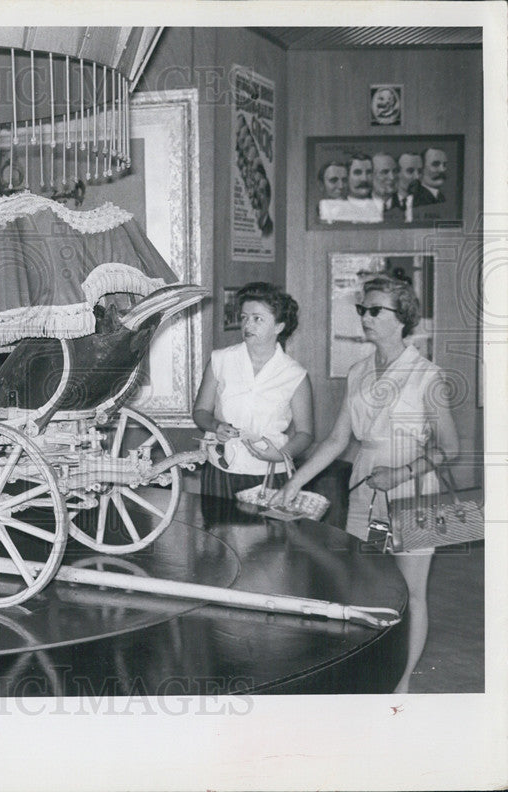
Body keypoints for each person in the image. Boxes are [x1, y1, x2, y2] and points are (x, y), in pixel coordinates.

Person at [273, 275, 459, 694]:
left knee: (411, 591)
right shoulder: (358, 372)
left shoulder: (428, 374)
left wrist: (400, 474)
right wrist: (294, 482)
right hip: (365, 488)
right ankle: (374, 676)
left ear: (402, 318)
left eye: (376, 310)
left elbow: (449, 448)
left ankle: (402, 685)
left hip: (416, 490)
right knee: (367, 584)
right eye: (363, 310)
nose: (366, 317)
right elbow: (338, 440)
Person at [193, 282, 313, 500]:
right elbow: (200, 411)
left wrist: (281, 454)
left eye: (258, 319)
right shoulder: (220, 360)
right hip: (221, 471)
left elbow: (305, 433)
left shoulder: (295, 375)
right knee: (215, 532)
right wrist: (216, 426)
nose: (248, 324)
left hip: (269, 473)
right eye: (244, 317)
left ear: (279, 327)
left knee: (267, 534)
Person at [319, 154, 382, 224]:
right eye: (357, 173)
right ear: (348, 176)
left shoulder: (382, 207)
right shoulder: (334, 210)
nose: (364, 179)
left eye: (369, 172)